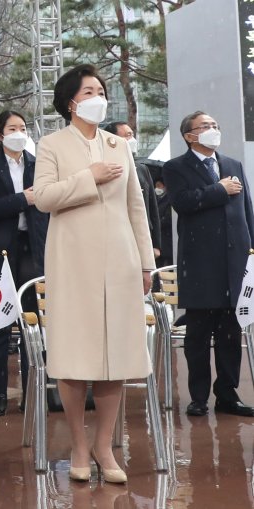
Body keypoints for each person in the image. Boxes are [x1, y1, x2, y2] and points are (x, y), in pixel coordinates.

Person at [34, 64, 155, 483]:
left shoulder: (118, 145)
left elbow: (136, 207)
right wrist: (89, 177)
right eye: (90, 90)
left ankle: (105, 446)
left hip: (120, 262)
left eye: (101, 90)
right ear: (71, 101)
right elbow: (44, 198)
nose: (98, 96)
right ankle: (79, 446)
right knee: (74, 357)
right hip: (72, 261)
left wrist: (145, 263)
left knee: (115, 357)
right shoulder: (51, 144)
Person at [163, 111, 254, 418]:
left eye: (215, 125)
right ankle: (199, 397)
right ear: (190, 135)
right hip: (200, 265)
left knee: (231, 333)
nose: (213, 129)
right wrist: (219, 189)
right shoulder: (175, 167)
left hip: (235, 262)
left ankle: (227, 394)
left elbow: (247, 212)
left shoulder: (232, 164)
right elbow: (184, 202)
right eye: (205, 126)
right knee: (198, 336)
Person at [0, 110, 49, 416]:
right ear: (0, 135)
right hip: (0, 253)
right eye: (12, 128)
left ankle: (34, 388)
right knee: (0, 324)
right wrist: (21, 200)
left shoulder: (39, 163)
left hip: (33, 250)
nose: (19, 132)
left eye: (23, 127)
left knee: (34, 323)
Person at [104, 121, 161, 259]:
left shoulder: (142, 169)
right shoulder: (104, 168)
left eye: (132, 135)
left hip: (142, 236)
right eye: (127, 135)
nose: (132, 140)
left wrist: (156, 244)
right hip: (115, 237)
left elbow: (152, 207)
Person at [154, 177, 173, 268]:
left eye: (159, 185)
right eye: (155, 186)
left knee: (167, 266)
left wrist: (157, 224)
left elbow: (168, 218)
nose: (157, 188)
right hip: (160, 240)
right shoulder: (157, 199)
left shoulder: (170, 199)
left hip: (167, 239)